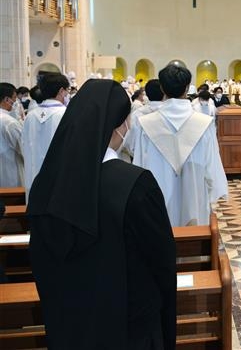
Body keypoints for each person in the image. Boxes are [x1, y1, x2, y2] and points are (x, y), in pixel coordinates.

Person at [27, 79, 176, 349]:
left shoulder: (45, 185)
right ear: (117, 125)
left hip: (68, 326)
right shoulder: (136, 184)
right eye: (126, 120)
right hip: (129, 328)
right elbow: (161, 263)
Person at [133, 64, 228, 226]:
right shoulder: (204, 123)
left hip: (158, 206)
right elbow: (212, 168)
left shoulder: (146, 124)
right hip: (195, 202)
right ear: (187, 87)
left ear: (162, 88)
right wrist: (214, 190)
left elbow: (139, 168)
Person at [22, 73, 69, 196]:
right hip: (58, 183)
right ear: (61, 91)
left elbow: (24, 146)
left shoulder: (30, 116)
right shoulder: (67, 115)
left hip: (33, 179)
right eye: (67, 91)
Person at [122, 79, 164, 159]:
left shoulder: (137, 115)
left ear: (146, 94)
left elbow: (129, 143)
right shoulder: (170, 113)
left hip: (141, 161)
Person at [0, 83, 24, 187]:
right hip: (10, 174)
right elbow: (23, 148)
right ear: (6, 99)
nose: (15, 101)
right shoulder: (9, 122)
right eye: (14, 98)